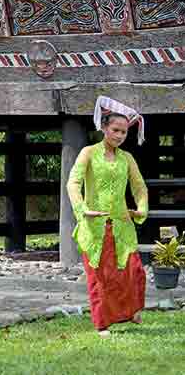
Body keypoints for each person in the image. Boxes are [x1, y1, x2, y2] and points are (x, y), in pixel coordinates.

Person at [67, 96, 148, 337]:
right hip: (94, 226)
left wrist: (141, 208)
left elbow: (140, 187)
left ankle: (131, 311)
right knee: (99, 276)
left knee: (134, 271)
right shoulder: (88, 153)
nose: (120, 136)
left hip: (122, 225)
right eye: (115, 130)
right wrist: (82, 210)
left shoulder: (127, 158)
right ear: (104, 128)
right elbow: (73, 183)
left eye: (124, 132)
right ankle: (102, 323)